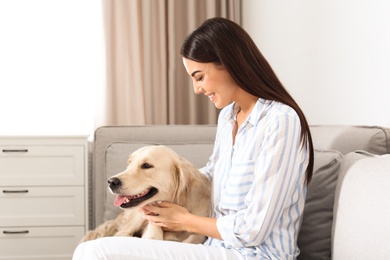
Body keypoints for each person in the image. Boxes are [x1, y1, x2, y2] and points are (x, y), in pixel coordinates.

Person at [73, 17, 314, 260]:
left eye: (199, 77)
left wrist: (184, 220)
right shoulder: (229, 117)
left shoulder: (280, 121)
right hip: (215, 248)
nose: (197, 89)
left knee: (96, 252)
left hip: (256, 255)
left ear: (228, 62)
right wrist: (158, 187)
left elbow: (253, 229)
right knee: (90, 248)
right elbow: (210, 174)